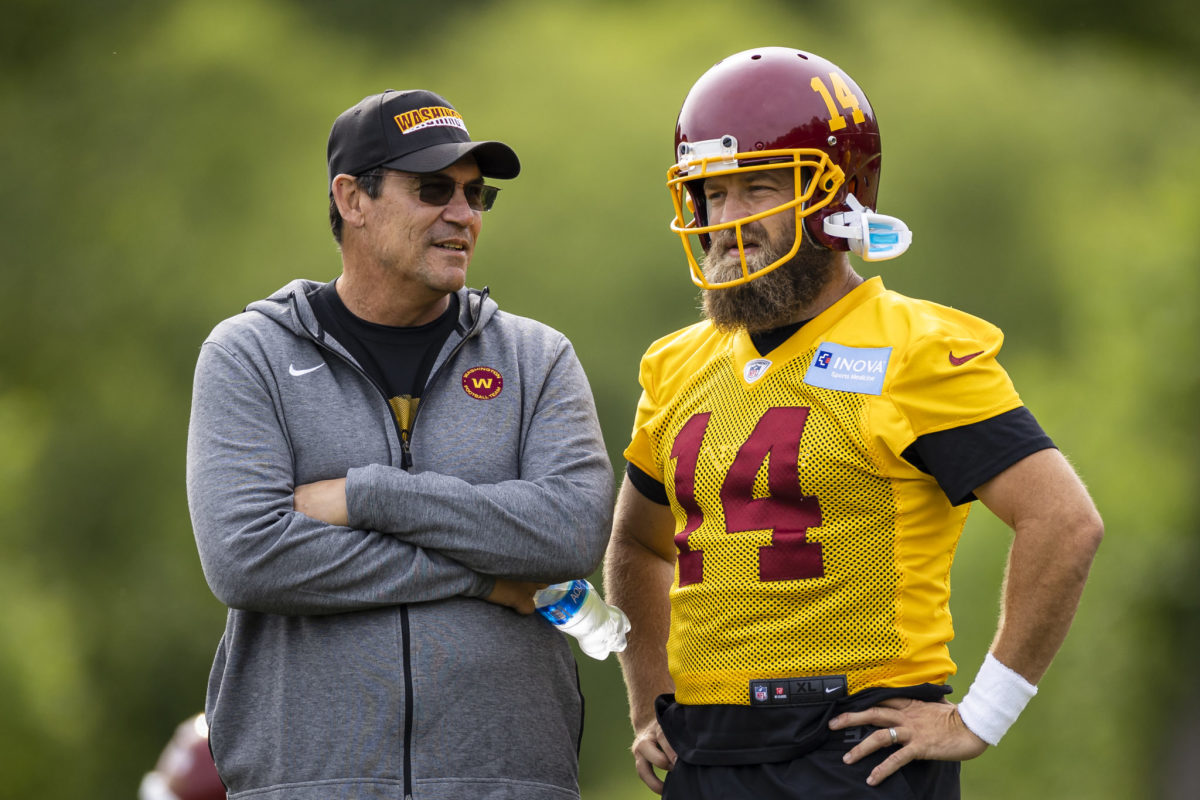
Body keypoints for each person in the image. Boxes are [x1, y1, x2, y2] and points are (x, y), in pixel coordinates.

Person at [603, 47, 1103, 798]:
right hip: (707, 750)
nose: (726, 224)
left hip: (853, 746)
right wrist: (649, 701)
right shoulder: (674, 363)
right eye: (711, 195)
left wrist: (981, 717)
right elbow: (639, 543)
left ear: (836, 198)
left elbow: (1064, 522)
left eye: (758, 190)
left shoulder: (916, 347)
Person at [186, 89, 613, 800]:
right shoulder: (248, 355)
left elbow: (568, 534)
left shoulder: (539, 358)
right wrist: (485, 579)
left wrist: (366, 496)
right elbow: (248, 558)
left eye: (476, 196)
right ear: (353, 199)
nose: (463, 216)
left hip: (510, 784)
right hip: (308, 784)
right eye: (434, 190)